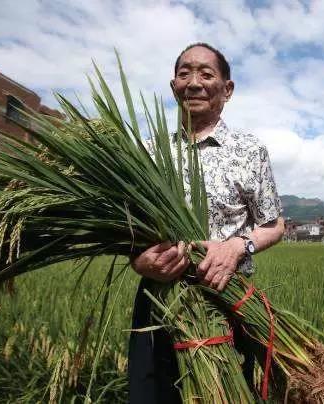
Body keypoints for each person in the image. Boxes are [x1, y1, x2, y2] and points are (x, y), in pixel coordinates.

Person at [128, 43, 285, 403]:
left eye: (206, 74)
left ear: (227, 90)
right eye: (184, 74)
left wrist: (236, 246)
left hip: (227, 300)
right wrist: (139, 260)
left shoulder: (249, 150)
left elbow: (274, 225)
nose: (194, 82)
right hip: (159, 299)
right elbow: (129, 233)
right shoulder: (149, 153)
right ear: (173, 87)